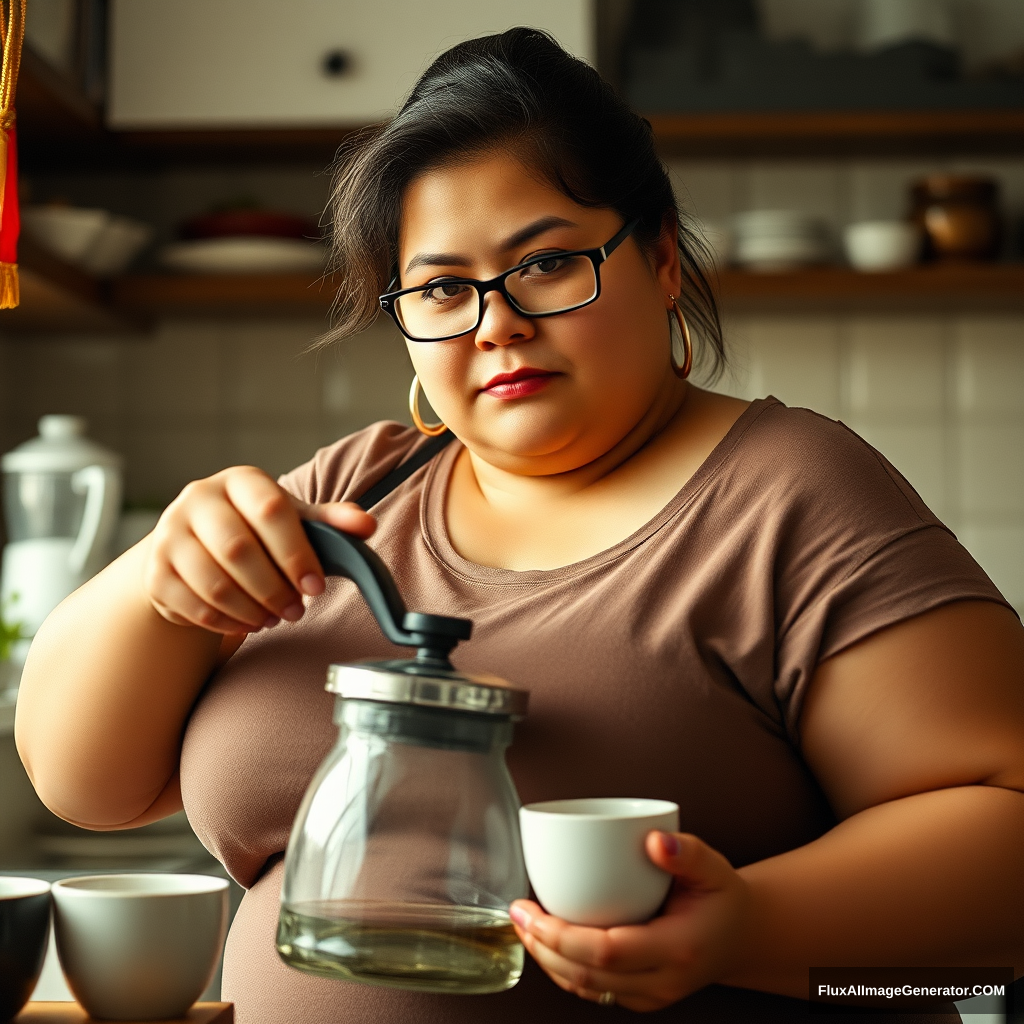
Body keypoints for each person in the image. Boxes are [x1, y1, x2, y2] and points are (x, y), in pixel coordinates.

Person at [15, 28, 1024, 1024]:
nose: (495, 321)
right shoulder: (357, 487)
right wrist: (164, 575)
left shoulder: (785, 494)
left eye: (544, 264)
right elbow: (85, 785)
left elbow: (1004, 831)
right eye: (444, 287)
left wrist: (747, 924)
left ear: (662, 259)